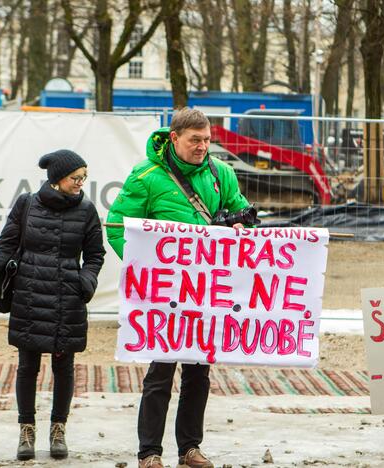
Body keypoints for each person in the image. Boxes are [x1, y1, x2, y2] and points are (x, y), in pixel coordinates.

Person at [106, 108, 250, 468]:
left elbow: (244, 215)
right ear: (174, 138)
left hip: (206, 293)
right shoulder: (146, 176)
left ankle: (190, 448)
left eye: (207, 140)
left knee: (199, 373)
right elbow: (116, 227)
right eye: (195, 140)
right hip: (166, 294)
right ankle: (149, 452)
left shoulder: (223, 174)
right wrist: (148, 271)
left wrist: (241, 229)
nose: (203, 147)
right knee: (160, 372)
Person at [0, 149, 105, 461]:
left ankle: (58, 429)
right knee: (27, 366)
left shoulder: (87, 210)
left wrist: (85, 281)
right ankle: (26, 429)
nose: (80, 184)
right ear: (57, 178)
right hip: (30, 295)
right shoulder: (26, 204)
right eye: (76, 178)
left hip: (67, 298)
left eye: (83, 179)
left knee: (64, 366)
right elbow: (6, 244)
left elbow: (95, 254)